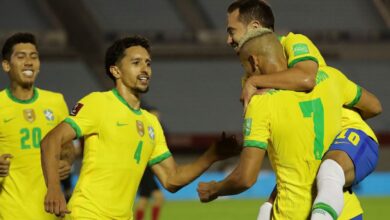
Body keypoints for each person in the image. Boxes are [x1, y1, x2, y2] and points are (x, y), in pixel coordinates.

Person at [40, 35, 241, 219]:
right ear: (115, 70)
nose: (145, 69)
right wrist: (54, 188)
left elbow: (172, 180)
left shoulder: (151, 122)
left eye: (148, 63)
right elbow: (52, 140)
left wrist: (212, 155)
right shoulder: (98, 103)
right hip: (87, 214)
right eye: (136, 63)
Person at [197, 29, 379, 219]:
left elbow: (246, 178)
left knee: (266, 209)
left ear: (254, 61)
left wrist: (213, 189)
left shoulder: (261, 104)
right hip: (345, 212)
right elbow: (374, 106)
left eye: (245, 67)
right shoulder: (330, 78)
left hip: (293, 213)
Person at [0, 32, 74, 219]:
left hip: (50, 211)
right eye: (21, 56)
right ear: (6, 65)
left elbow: (68, 148)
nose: (29, 62)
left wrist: (66, 161)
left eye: (34, 57)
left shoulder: (56, 102)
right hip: (10, 212)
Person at [135, 107, 165, 220]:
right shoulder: (145, 131)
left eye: (158, 117)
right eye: (155, 116)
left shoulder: (153, 131)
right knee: (159, 197)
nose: (157, 119)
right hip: (145, 168)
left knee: (144, 198)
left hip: (147, 168)